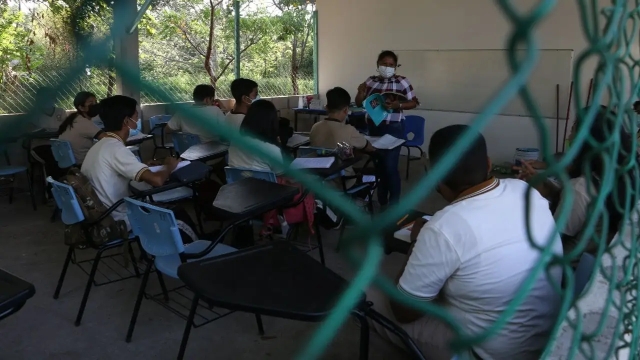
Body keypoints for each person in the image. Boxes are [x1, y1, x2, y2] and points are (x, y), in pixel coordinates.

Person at [368, 125, 563, 360]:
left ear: (435, 176)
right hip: (547, 336)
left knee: (365, 296)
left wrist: (416, 244)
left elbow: (404, 312)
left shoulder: (442, 228)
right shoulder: (525, 190)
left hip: (487, 352)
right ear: (489, 164)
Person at [518, 106, 638, 256]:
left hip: (568, 264)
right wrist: (549, 185)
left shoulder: (579, 188)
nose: (568, 137)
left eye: (573, 130)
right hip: (600, 258)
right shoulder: (626, 173)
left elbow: (554, 239)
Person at [81, 95, 199, 242]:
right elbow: (157, 180)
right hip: (118, 217)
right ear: (126, 121)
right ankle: (195, 254)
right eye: (136, 116)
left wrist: (144, 166)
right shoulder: (116, 149)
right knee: (174, 214)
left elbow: (117, 170)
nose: (137, 121)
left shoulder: (101, 145)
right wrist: (170, 166)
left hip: (103, 212)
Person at [355, 50, 419, 208]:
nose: (387, 67)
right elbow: (358, 103)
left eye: (391, 65)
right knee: (379, 166)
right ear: (378, 65)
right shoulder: (370, 81)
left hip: (394, 127)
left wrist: (399, 105)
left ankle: (394, 205)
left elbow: (415, 102)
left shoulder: (402, 81)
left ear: (396, 67)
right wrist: (360, 93)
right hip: (374, 127)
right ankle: (382, 201)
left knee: (390, 166)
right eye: (384, 64)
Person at [310, 87, 375, 189]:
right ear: (346, 110)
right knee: (374, 172)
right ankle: (361, 200)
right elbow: (369, 148)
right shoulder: (349, 130)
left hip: (321, 182)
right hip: (343, 182)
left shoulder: (315, 127)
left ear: (326, 107)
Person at [228, 99, 284, 172]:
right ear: (272, 122)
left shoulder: (235, 142)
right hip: (264, 183)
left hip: (237, 183)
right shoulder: (272, 149)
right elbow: (280, 173)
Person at [29, 87, 68, 180]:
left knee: (70, 157)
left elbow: (66, 128)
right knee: (52, 158)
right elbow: (31, 130)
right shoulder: (33, 114)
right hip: (41, 145)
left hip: (58, 144)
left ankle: (67, 184)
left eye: (51, 97)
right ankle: (52, 187)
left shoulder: (60, 111)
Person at [58, 91, 106, 164]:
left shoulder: (75, 118)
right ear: (81, 107)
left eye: (95, 102)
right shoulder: (82, 122)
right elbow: (106, 138)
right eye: (91, 103)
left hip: (74, 163)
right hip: (84, 163)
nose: (95, 105)